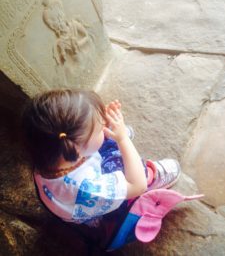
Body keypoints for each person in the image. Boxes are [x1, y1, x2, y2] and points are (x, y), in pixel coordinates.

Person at [22, 88, 181, 248]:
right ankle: (152, 174)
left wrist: (94, 123)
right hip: (100, 210)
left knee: (106, 142)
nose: (105, 125)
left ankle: (107, 138)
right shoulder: (88, 188)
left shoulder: (48, 153)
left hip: (74, 190)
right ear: (75, 150)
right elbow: (137, 186)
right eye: (100, 128)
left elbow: (83, 140)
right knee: (129, 165)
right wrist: (122, 139)